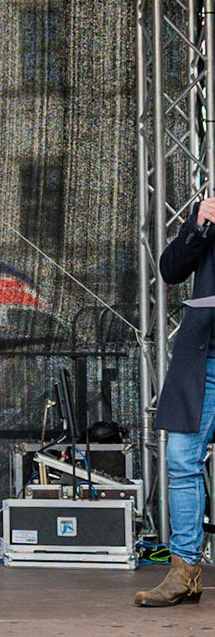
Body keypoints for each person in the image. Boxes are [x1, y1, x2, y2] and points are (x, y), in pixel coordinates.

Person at [134, 199, 215, 606]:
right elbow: (170, 269)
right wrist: (198, 225)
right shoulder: (208, 215)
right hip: (205, 361)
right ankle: (185, 571)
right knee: (182, 459)